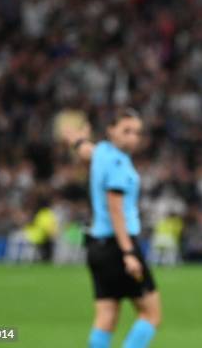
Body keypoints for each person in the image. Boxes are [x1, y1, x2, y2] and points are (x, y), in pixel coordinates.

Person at [64, 108, 160, 348]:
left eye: (136, 132)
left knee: (106, 317)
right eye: (126, 131)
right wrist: (129, 253)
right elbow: (115, 210)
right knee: (151, 314)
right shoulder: (118, 162)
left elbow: (85, 149)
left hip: (97, 246)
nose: (132, 137)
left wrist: (76, 139)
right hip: (119, 245)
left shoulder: (102, 152)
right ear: (110, 131)